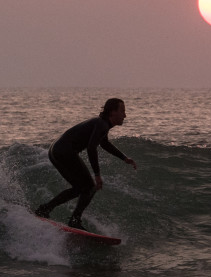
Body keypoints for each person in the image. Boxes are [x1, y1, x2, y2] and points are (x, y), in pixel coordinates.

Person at [35, 98, 137, 230]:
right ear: (112, 112)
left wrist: (124, 158)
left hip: (56, 150)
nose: (125, 115)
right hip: (64, 151)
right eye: (122, 111)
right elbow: (91, 148)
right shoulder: (102, 124)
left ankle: (45, 209)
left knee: (80, 188)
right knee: (89, 187)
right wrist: (97, 175)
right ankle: (74, 220)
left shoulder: (101, 124)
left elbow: (104, 143)